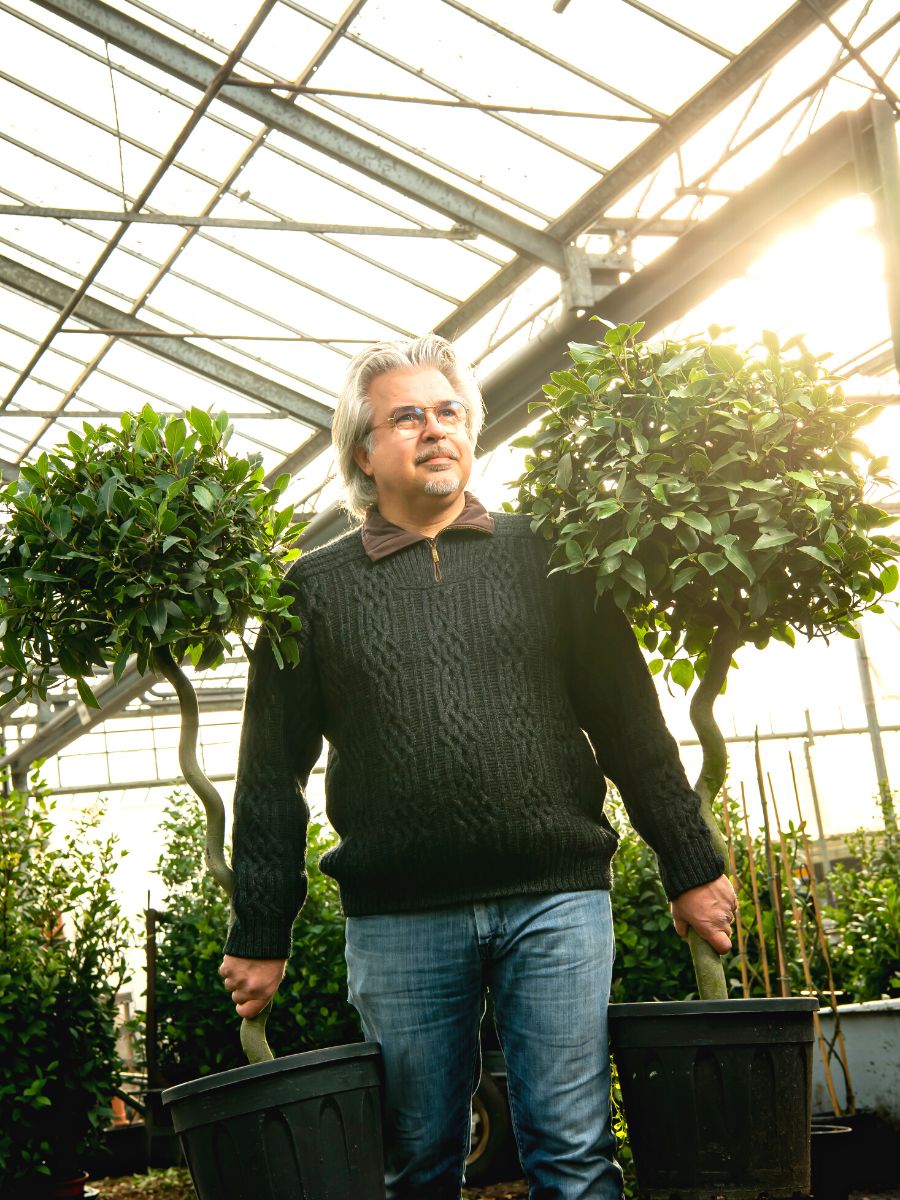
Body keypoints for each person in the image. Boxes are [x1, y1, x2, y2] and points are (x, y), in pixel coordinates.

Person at [219, 335, 737, 1200]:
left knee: (574, 1152)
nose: (435, 430)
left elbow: (631, 726)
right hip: (399, 919)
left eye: (450, 412)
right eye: (407, 416)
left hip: (557, 899)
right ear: (362, 451)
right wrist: (260, 930)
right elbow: (270, 777)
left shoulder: (556, 560)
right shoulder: (311, 591)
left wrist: (690, 865)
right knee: (419, 1157)